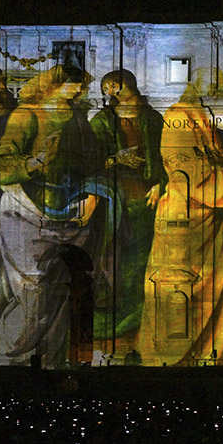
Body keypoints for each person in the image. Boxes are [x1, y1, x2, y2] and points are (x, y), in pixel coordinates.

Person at [137, 69, 223, 365]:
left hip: (221, 225)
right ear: (196, 87)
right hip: (186, 221)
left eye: (220, 83)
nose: (217, 88)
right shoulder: (179, 116)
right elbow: (185, 169)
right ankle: (170, 364)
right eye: (211, 83)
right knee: (180, 296)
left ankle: (219, 360)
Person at [0, 65, 117, 367]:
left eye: (80, 86)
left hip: (72, 210)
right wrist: (35, 162)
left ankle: (54, 359)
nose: (78, 91)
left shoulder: (77, 117)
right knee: (32, 290)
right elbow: (0, 165)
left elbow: (93, 162)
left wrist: (95, 193)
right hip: (26, 211)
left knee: (64, 291)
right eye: (73, 85)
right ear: (54, 84)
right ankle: (11, 355)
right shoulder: (27, 114)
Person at [88, 69, 166, 343]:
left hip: (148, 200)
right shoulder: (101, 121)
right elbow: (88, 160)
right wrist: (115, 160)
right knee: (113, 260)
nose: (111, 91)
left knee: (141, 260)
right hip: (114, 200)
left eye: (115, 85)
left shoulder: (153, 119)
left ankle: (136, 318)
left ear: (129, 84)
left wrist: (161, 185)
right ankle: (112, 317)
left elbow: (167, 156)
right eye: (106, 87)